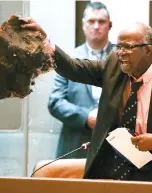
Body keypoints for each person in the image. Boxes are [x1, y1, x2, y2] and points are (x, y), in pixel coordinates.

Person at [21, 19, 152, 183]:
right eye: (118, 46)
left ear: (148, 50)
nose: (120, 53)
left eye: (128, 47)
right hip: (112, 170)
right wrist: (45, 43)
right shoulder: (114, 66)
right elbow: (74, 68)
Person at [48, 2, 113, 158]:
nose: (96, 26)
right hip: (76, 145)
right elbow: (55, 102)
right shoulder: (68, 60)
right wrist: (86, 117)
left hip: (114, 147)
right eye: (91, 21)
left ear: (110, 25)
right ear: (83, 25)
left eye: (102, 22)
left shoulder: (123, 58)